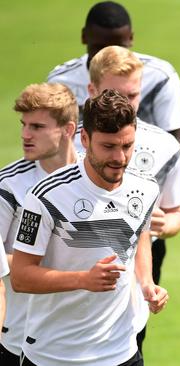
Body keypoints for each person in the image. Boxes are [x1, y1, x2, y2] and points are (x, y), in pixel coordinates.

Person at [10, 89, 168, 366]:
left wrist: (147, 283)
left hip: (122, 353)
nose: (120, 157)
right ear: (84, 138)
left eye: (127, 145)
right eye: (108, 146)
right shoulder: (45, 196)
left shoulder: (145, 188)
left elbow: (140, 234)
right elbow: (21, 277)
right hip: (53, 356)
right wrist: (83, 279)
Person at [83, 45, 180, 352]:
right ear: (92, 90)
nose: (125, 105)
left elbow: (177, 213)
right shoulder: (71, 142)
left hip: (136, 271)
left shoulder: (165, 146)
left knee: (128, 348)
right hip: (75, 268)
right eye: (114, 95)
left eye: (133, 96)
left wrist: (165, 224)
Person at [47, 1, 180, 166]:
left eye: (132, 95)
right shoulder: (61, 82)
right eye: (99, 48)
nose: (109, 56)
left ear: (130, 38)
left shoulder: (160, 76)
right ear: (84, 36)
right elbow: (51, 146)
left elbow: (178, 153)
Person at [0, 83, 79, 365]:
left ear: (68, 130)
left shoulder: (91, 179)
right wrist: (35, 264)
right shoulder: (8, 185)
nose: (24, 134)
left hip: (84, 339)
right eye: (24, 125)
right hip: (21, 339)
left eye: (36, 127)